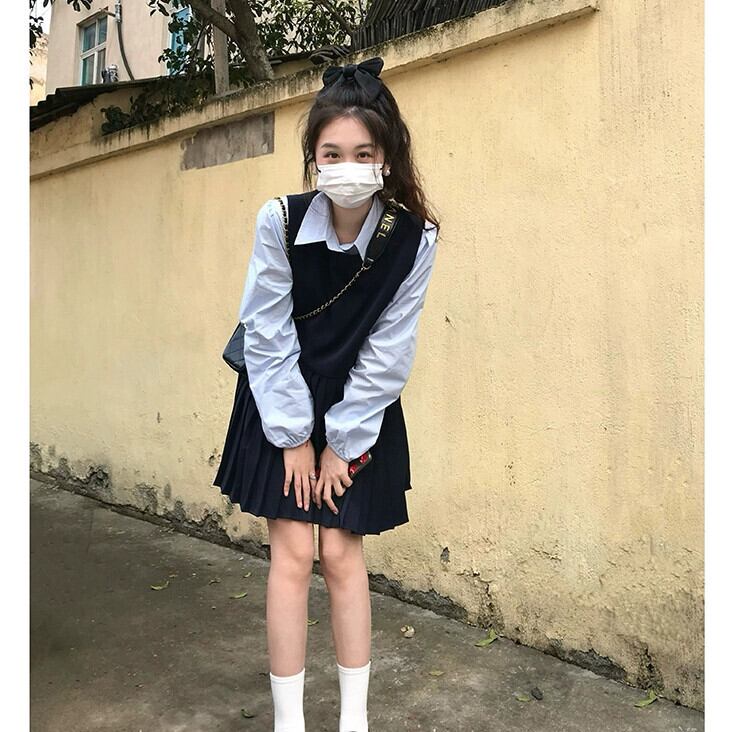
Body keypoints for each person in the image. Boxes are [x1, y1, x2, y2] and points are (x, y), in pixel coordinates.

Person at [212, 56, 440, 732]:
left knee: (340, 553)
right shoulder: (279, 221)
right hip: (278, 393)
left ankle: (353, 721)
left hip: (359, 405)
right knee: (291, 553)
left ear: (387, 159)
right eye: (332, 153)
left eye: (363, 154)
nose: (347, 167)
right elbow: (267, 329)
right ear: (313, 158)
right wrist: (292, 438)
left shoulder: (414, 239)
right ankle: (289, 722)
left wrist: (341, 443)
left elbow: (389, 349)